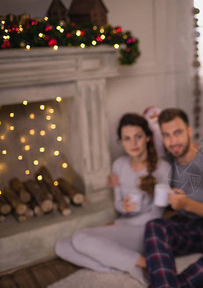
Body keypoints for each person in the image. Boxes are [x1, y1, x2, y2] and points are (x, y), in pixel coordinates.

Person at [55, 113, 170, 285]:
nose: (133, 143)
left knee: (80, 238)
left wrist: (121, 225)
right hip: (123, 225)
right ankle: (126, 265)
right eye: (127, 138)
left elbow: (157, 214)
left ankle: (140, 261)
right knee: (61, 246)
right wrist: (124, 208)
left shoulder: (162, 167)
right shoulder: (118, 165)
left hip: (146, 230)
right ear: (121, 142)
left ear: (147, 137)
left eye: (138, 136)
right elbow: (118, 204)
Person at [143, 108, 203, 288]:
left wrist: (187, 204)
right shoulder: (169, 162)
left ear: (188, 131)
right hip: (188, 225)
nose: (173, 141)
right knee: (154, 227)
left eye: (178, 133)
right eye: (167, 136)